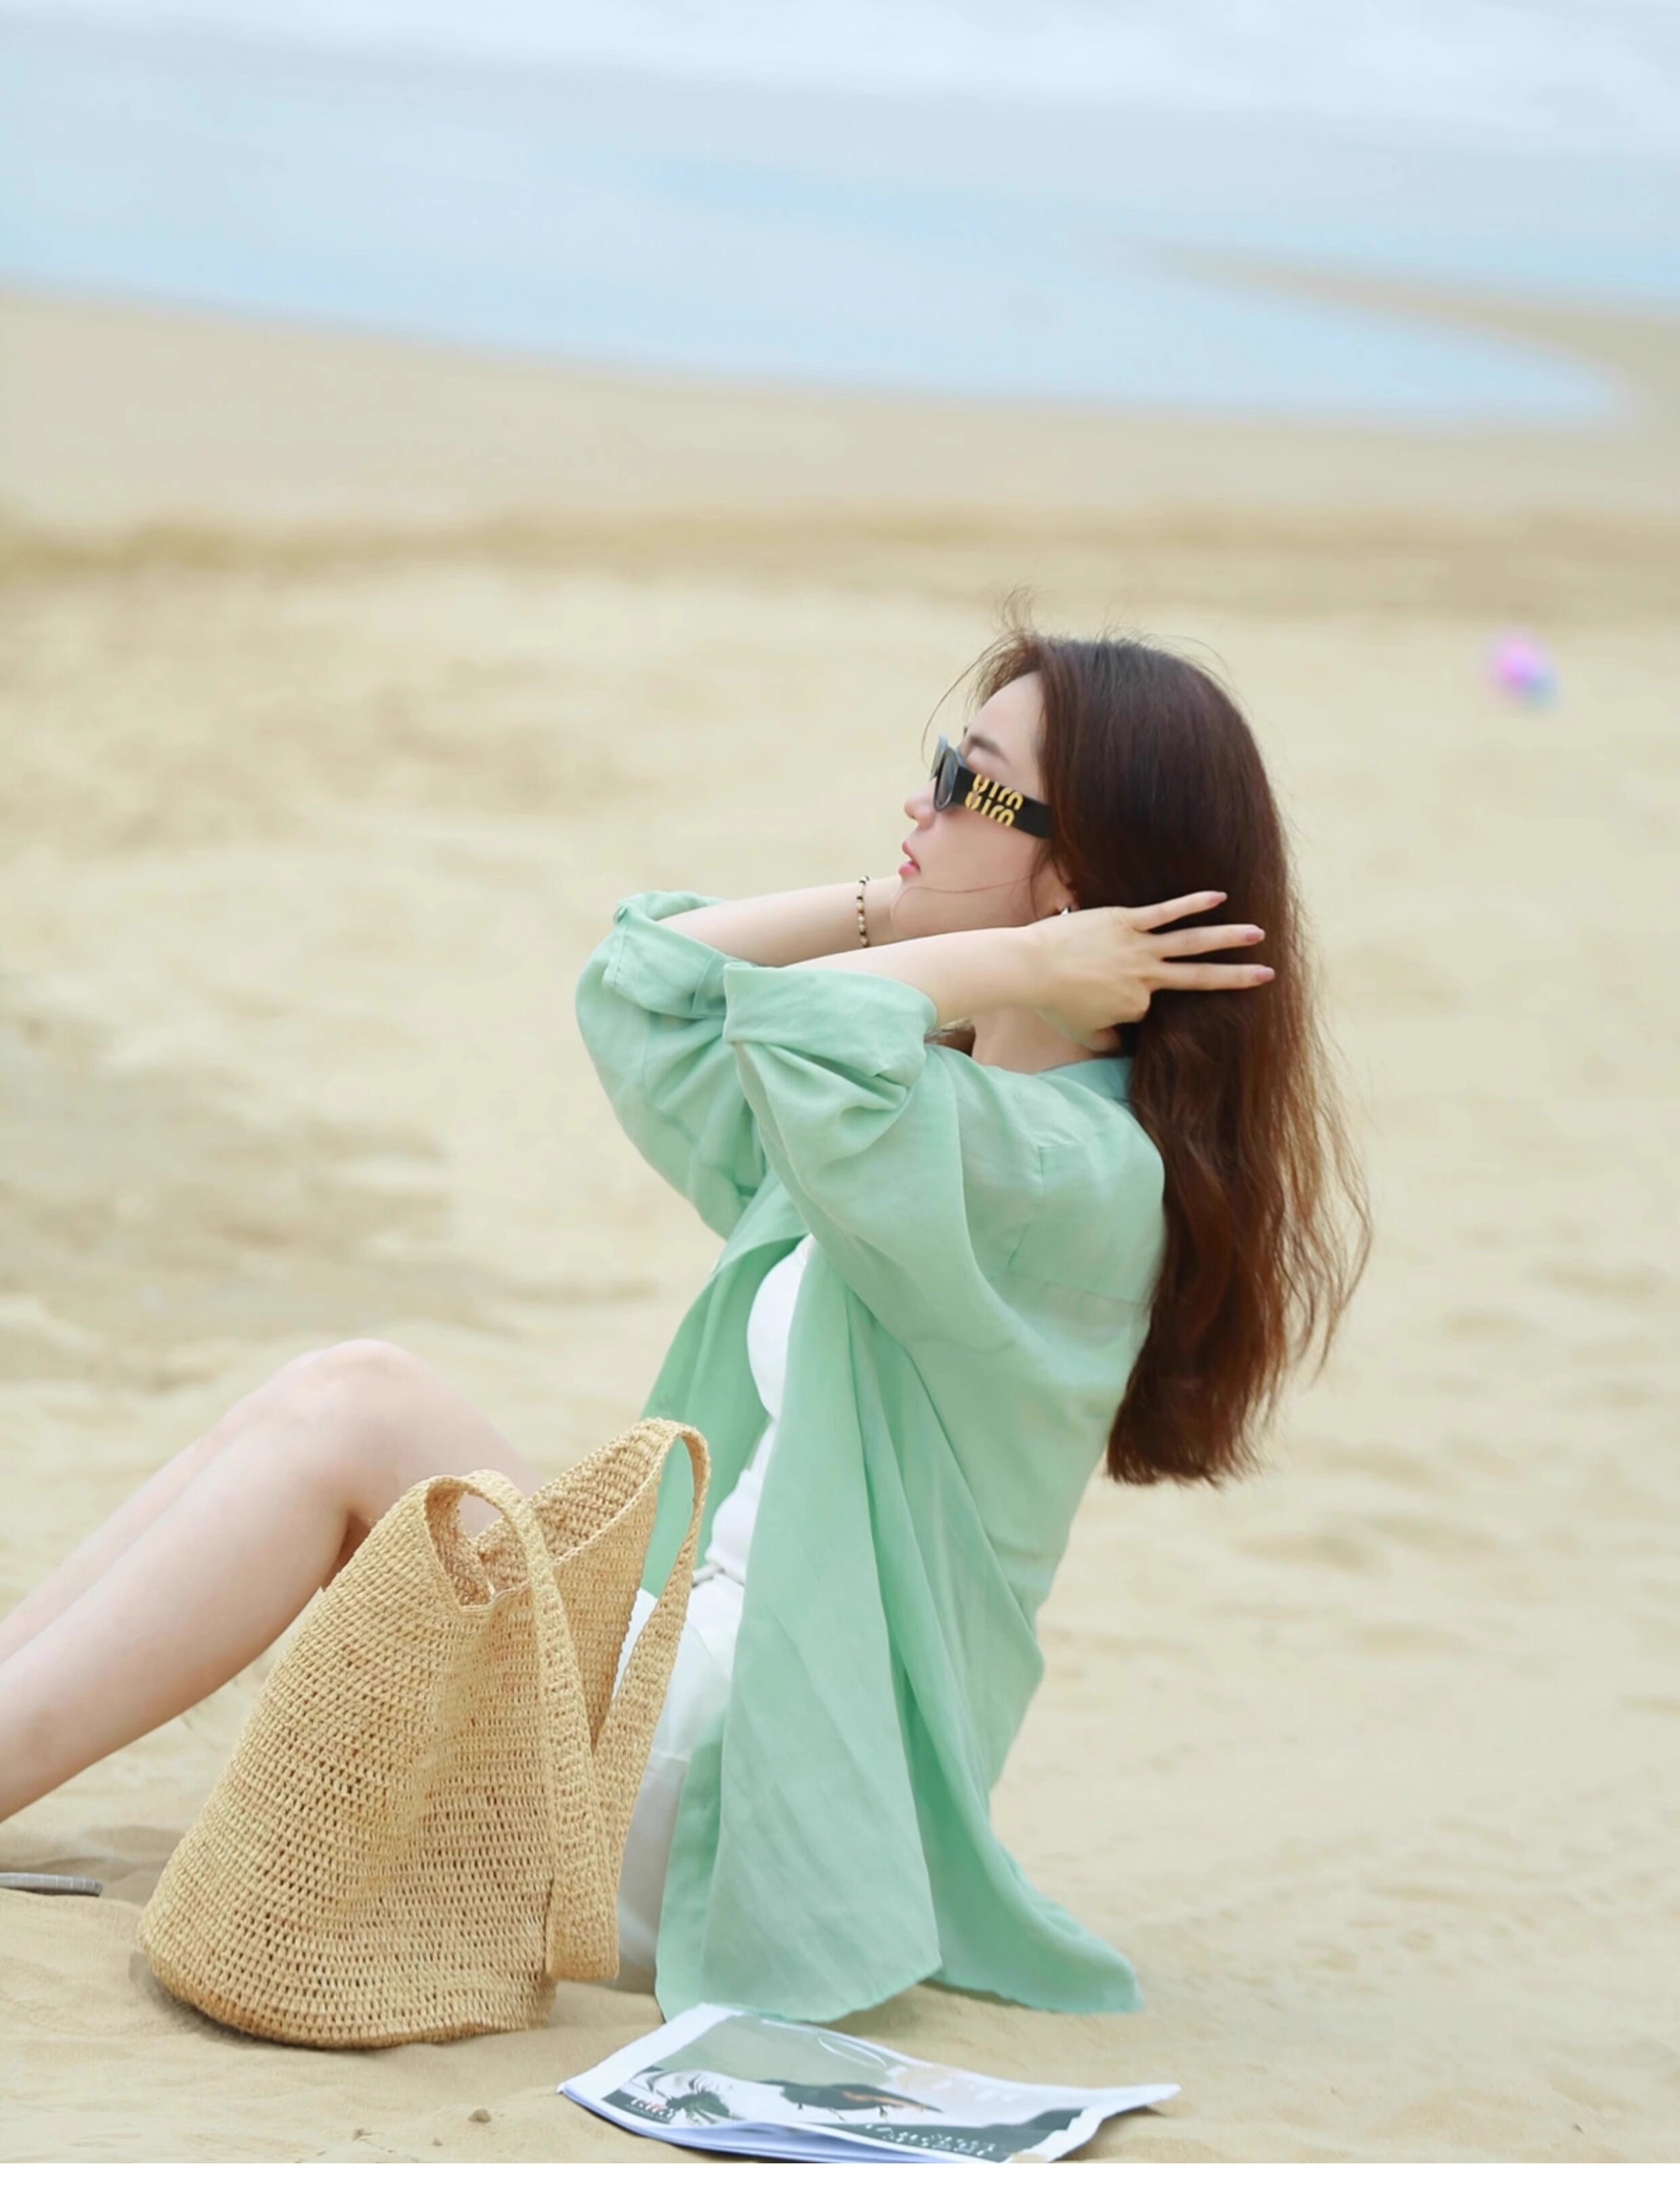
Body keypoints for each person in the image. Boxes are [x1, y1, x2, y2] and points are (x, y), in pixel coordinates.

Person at [0, 626, 1369, 2025]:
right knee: (319, 1399)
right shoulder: (917, 1107)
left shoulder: (1063, 1175)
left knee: (356, 1405)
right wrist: (919, 912)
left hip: (729, 1771)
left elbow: (796, 1030)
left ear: (1075, 879)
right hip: (669, 1692)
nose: (923, 796)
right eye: (939, 760)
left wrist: (996, 952)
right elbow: (642, 979)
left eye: (972, 781)